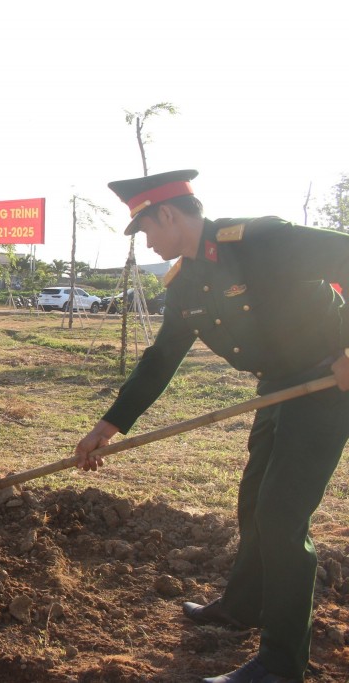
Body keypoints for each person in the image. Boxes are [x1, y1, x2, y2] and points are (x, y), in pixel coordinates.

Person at [74, 169, 349, 683]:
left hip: (328, 386)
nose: (148, 244)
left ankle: (281, 665)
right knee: (253, 502)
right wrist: (108, 427)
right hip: (279, 387)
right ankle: (244, 605)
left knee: (282, 516)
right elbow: (160, 359)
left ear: (169, 214)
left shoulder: (262, 241)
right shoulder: (186, 282)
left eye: (147, 231)